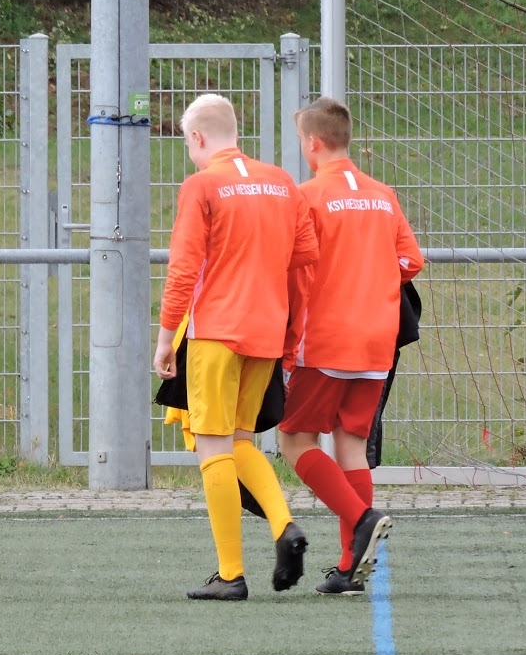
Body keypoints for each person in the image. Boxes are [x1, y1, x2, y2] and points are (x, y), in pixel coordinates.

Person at [154, 93, 319, 601]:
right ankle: (284, 525)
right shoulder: (282, 183)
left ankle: (231, 574)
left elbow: (183, 269)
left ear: (198, 137)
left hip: (215, 333)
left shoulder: (201, 184)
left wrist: (165, 338)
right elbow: (305, 264)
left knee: (213, 446)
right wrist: (290, 336)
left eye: (188, 144)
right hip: (265, 332)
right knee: (241, 443)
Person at [277, 96, 424, 595]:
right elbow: (411, 261)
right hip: (377, 340)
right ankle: (349, 567)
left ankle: (363, 518)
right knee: (351, 444)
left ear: (313, 142)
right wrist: (372, 277)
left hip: (326, 339)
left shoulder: (308, 195)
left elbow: (293, 264)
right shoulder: (383, 194)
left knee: (295, 440)